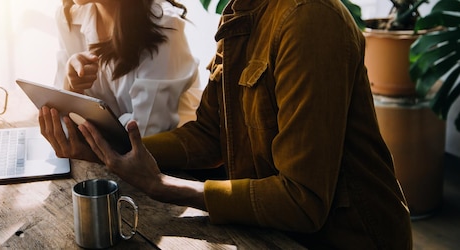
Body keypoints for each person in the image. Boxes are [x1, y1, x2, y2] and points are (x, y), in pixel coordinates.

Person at [40, 0, 413, 248]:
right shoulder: (240, 12)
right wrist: (107, 148)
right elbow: (210, 134)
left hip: (350, 239)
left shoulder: (309, 19)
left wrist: (164, 186)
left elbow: (303, 201)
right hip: (272, 231)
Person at [53, 0, 202, 139]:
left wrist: (99, 124)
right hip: (112, 151)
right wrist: (71, 86)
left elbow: (146, 134)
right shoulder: (68, 17)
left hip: (172, 158)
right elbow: (59, 120)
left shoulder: (163, 24)